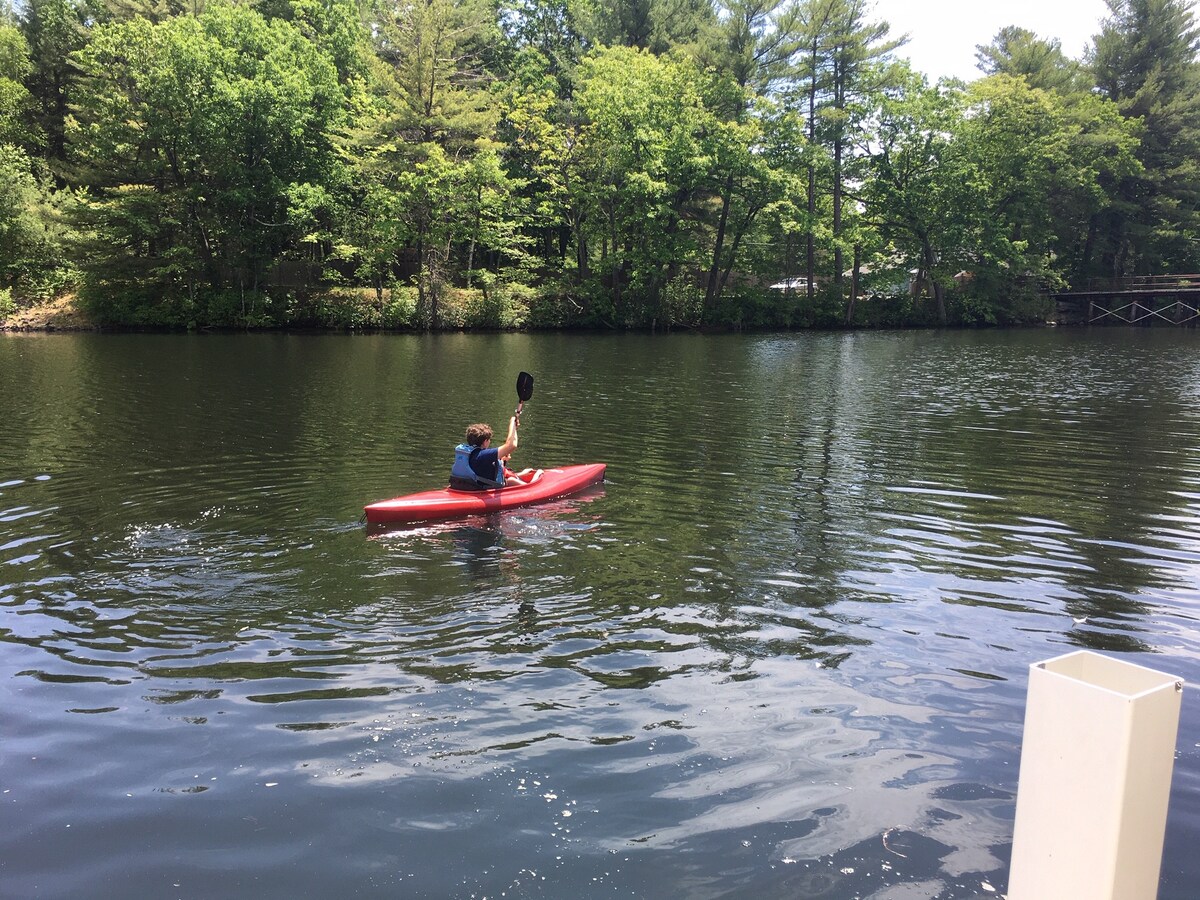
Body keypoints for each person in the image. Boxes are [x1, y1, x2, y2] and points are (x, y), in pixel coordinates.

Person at [450, 417, 540, 490]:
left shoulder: (468, 454)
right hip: (479, 489)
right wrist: (512, 423)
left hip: (463, 486)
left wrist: (502, 460)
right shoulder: (483, 455)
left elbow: (483, 470)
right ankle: (538, 476)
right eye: (489, 440)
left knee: (510, 478)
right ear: (485, 441)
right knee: (512, 481)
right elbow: (511, 445)